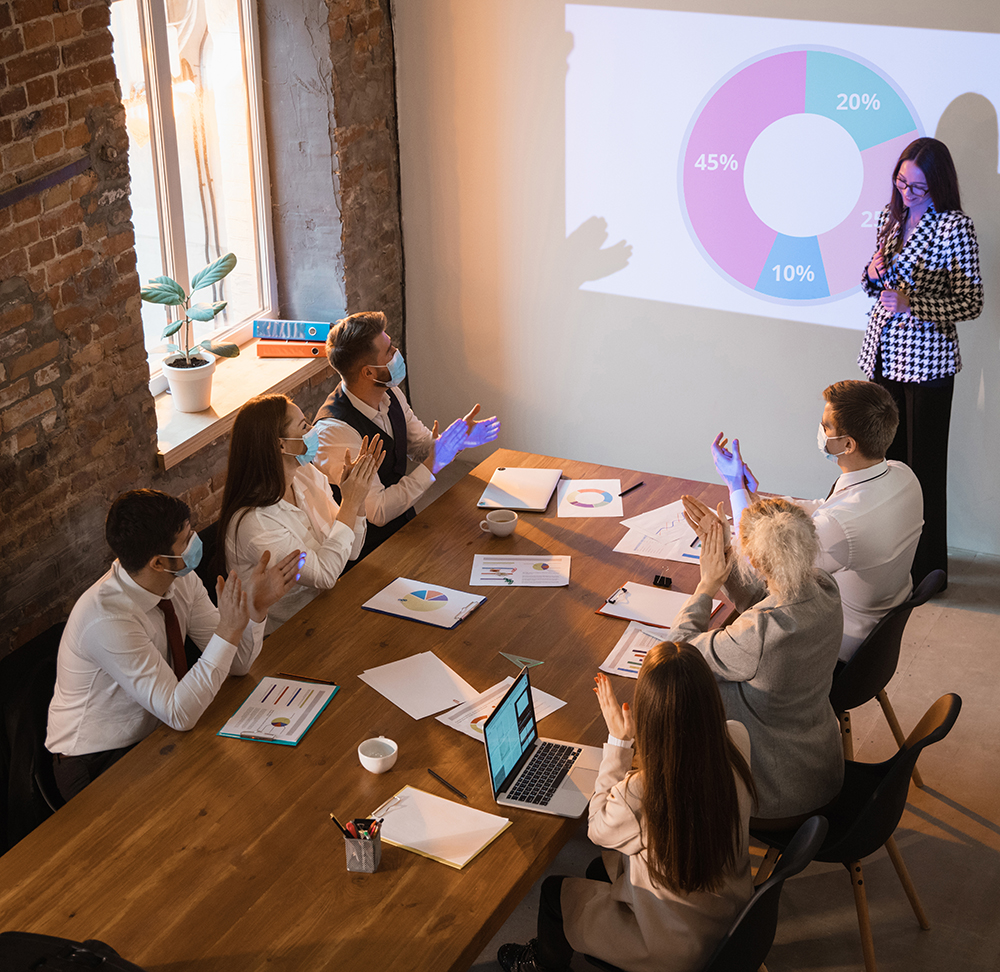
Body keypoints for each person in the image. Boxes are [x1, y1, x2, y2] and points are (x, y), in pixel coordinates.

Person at [498, 644, 756, 972]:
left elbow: (599, 827)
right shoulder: (736, 738)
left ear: (649, 714)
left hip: (673, 947)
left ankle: (540, 964)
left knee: (553, 893)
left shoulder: (643, 792)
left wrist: (619, 744)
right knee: (598, 870)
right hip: (730, 917)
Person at [46, 489, 301, 801]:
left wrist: (255, 611)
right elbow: (180, 713)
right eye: (186, 539)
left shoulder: (180, 579)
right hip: (97, 762)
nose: (195, 542)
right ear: (157, 562)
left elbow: (238, 664)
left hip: (158, 732)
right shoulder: (108, 619)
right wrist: (229, 630)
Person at [689, 379, 923, 662]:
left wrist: (735, 487)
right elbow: (821, 510)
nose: (821, 432)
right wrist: (756, 498)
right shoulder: (902, 475)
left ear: (847, 444)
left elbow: (759, 558)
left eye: (826, 427)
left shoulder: (839, 528)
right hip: (877, 634)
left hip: (836, 648)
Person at [859, 137, 983, 586]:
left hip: (928, 365)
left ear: (938, 185)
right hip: (884, 355)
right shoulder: (890, 222)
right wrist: (871, 275)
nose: (906, 194)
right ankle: (889, 564)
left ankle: (928, 569)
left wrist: (916, 304)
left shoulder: (955, 227)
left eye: (917, 187)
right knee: (885, 465)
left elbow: (971, 302)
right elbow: (878, 290)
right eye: (901, 182)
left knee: (923, 469)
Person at [673, 502, 843, 825]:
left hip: (775, 795)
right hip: (821, 771)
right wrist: (724, 549)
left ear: (752, 560)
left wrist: (705, 586)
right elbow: (770, 601)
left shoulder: (759, 633)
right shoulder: (824, 587)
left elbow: (677, 655)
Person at [314, 311, 500, 557]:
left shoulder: (389, 393)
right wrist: (433, 464)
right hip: (363, 554)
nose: (397, 354)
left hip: (404, 524)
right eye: (389, 351)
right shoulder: (335, 433)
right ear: (368, 372)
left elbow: (421, 445)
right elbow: (378, 511)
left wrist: (454, 441)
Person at [218, 393, 383, 635]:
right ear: (280, 444)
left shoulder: (307, 474)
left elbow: (351, 551)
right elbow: (325, 574)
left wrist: (356, 499)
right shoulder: (256, 522)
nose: (312, 430)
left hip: (324, 613)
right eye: (304, 426)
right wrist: (350, 501)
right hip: (284, 637)